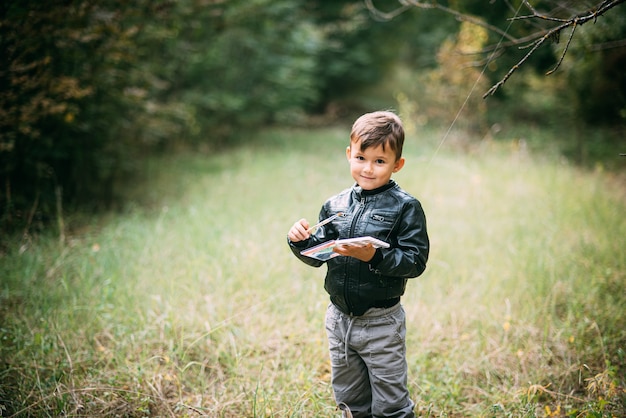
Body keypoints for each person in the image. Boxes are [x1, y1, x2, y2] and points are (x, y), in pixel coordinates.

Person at [287, 111, 429, 418]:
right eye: (361, 157)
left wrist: (374, 256)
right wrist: (299, 241)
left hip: (381, 322)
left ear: (397, 165)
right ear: (349, 154)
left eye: (380, 161)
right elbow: (318, 253)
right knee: (350, 401)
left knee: (390, 405)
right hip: (338, 320)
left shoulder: (405, 207)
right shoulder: (335, 205)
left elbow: (415, 261)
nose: (368, 168)